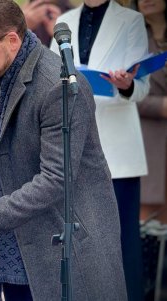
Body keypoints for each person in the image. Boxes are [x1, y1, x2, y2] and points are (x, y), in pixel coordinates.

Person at [0, 0, 126, 300]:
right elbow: (14, 139)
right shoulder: (9, 68)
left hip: (66, 249)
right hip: (21, 244)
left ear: (11, 40)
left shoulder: (58, 87)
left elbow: (55, 180)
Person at [49, 1, 150, 300]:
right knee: (81, 242)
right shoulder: (64, 21)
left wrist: (126, 85)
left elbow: (141, 87)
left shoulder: (131, 21)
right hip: (75, 149)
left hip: (118, 153)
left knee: (121, 244)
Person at [136, 0, 167, 223]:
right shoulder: (132, 38)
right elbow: (122, 92)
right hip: (149, 142)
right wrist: (160, 106)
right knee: (148, 224)